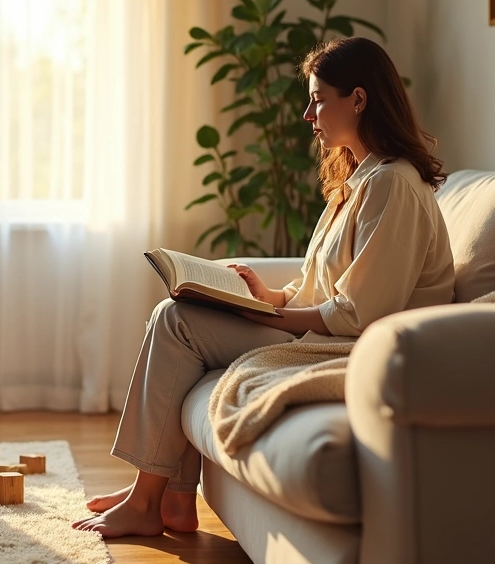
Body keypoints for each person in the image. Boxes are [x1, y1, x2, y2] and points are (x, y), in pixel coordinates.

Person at [72, 36, 456, 538]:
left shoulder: (393, 185)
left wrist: (265, 317)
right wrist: (265, 295)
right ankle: (171, 499)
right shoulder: (359, 181)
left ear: (358, 100)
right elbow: (317, 286)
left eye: (318, 98)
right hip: (324, 333)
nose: (307, 113)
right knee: (178, 314)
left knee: (175, 321)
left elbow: (359, 313)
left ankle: (150, 500)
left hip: (346, 347)